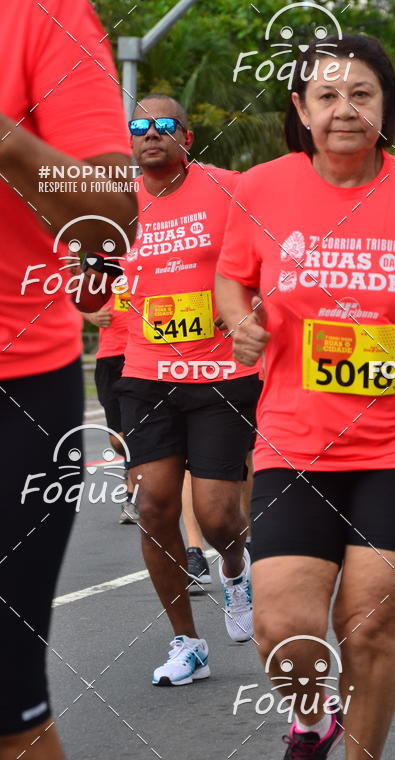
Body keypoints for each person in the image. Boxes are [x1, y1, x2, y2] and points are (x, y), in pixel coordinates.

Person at [215, 34, 395, 760]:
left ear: (384, 108)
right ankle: (310, 721)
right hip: (296, 439)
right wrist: (240, 324)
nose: (344, 109)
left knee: (369, 624)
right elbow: (232, 280)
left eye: (362, 94)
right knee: (281, 626)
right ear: (299, 110)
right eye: (327, 95)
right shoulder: (261, 189)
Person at [0, 0, 136, 760]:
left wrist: (8, 142)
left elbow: (110, 220)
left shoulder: (41, 0)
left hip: (12, 386)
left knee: (5, 703)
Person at [77, 93, 261, 686]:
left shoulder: (231, 187)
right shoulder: (118, 207)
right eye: (139, 126)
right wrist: (89, 277)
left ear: (186, 136)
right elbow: (88, 293)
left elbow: (269, 256)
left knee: (215, 515)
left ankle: (235, 566)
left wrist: (249, 316)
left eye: (163, 126)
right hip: (147, 373)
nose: (149, 134)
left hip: (220, 374)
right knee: (153, 503)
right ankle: (187, 642)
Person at [83, 277, 139, 524]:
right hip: (108, 358)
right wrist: (90, 315)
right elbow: (71, 288)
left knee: (136, 432)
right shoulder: (98, 255)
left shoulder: (148, 248)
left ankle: (132, 499)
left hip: (141, 353)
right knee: (118, 440)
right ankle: (132, 469)